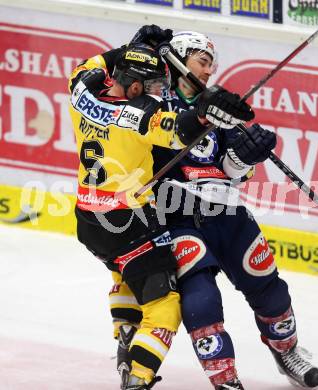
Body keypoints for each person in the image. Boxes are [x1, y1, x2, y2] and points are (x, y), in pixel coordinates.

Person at [109, 27, 318, 390]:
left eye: (212, 64)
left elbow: (232, 172)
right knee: (201, 299)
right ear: (179, 60)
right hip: (176, 217)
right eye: (202, 61)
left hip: (227, 212)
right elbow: (123, 111)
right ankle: (225, 379)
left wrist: (243, 156)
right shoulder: (151, 103)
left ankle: (286, 350)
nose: (209, 71)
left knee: (270, 290)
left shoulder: (218, 105)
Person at [68, 40, 255, 390]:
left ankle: (124, 328)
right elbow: (183, 129)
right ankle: (138, 379)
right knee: (165, 306)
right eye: (155, 87)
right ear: (136, 87)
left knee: (123, 269)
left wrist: (133, 46)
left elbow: (92, 63)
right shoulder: (141, 117)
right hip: (128, 223)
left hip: (88, 219)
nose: (160, 93)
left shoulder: (82, 90)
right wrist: (208, 110)